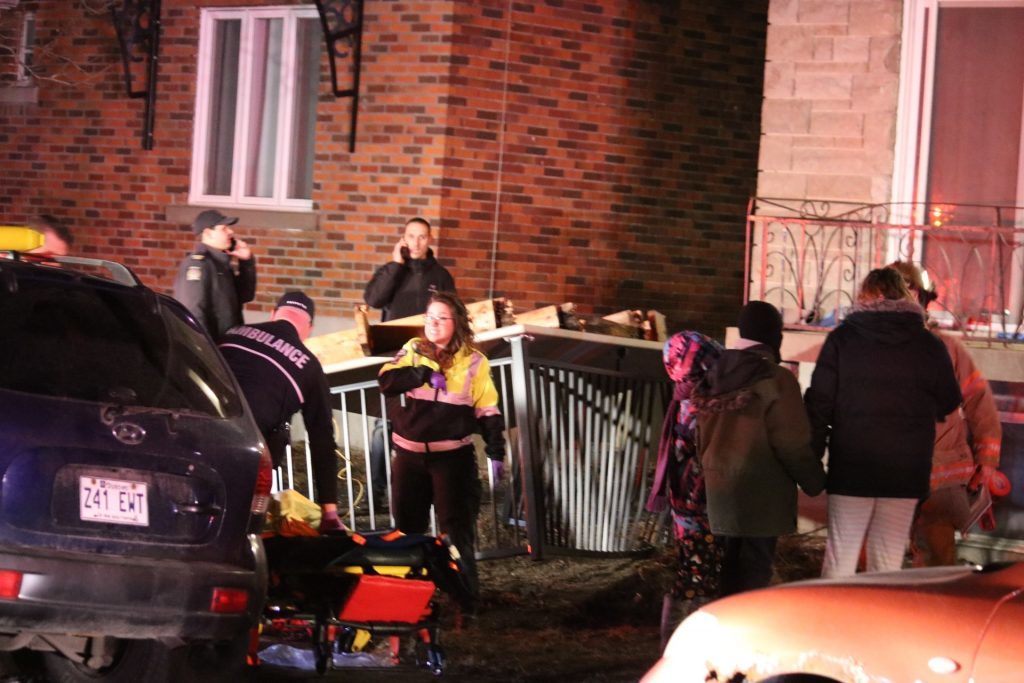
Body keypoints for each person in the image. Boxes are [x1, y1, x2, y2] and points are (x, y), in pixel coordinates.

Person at [805, 268, 962, 578]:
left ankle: (833, 609)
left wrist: (811, 457)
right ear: (904, 295)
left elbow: (819, 404)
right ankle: (879, 608)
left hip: (852, 469)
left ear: (866, 296)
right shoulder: (928, 345)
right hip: (904, 473)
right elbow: (948, 401)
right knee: (887, 565)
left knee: (839, 561)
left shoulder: (841, 340)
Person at [691, 301, 826, 596]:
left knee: (725, 574)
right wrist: (815, 482)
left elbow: (699, 436)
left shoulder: (713, 374)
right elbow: (791, 443)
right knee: (753, 578)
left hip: (720, 493)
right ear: (775, 336)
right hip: (762, 496)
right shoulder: (776, 379)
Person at [377, 291, 505, 602]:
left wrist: (496, 451)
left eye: (441, 318)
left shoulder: (475, 361)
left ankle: (465, 601)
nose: (433, 324)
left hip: (451, 459)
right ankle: (407, 600)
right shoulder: (413, 349)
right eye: (429, 317)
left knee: (456, 533)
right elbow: (386, 381)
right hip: (409, 457)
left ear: (457, 322)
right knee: (407, 531)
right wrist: (421, 373)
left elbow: (487, 409)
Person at [888, 261, 1002, 566]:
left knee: (936, 563)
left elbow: (979, 401)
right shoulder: (869, 348)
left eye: (909, 293)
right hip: (890, 476)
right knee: (877, 565)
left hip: (937, 480)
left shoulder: (947, 349)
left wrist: (987, 461)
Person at [218, 291, 343, 533]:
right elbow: (322, 440)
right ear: (309, 328)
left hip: (195, 433)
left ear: (273, 314)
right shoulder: (309, 366)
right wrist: (329, 512)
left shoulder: (233, 333)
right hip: (247, 453)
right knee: (240, 531)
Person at [364, 217, 456, 505]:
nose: (416, 242)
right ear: (403, 239)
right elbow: (374, 300)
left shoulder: (441, 276)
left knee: (424, 425)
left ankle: (421, 491)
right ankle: (376, 491)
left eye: (422, 237)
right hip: (395, 358)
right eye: (411, 236)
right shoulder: (392, 270)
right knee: (383, 424)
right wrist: (395, 265)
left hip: (428, 360)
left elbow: (452, 315)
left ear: (430, 240)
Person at [645, 331, 724, 649]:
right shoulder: (698, 403)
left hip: (689, 504)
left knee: (695, 572)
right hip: (698, 505)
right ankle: (678, 647)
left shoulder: (684, 396)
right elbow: (697, 453)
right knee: (696, 576)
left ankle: (680, 643)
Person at [173, 209, 256, 340]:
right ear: (208, 233)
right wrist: (209, 350)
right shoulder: (199, 265)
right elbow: (194, 313)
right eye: (224, 228)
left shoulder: (220, 263)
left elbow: (245, 295)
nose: (230, 231)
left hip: (229, 344)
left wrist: (246, 262)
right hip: (215, 347)